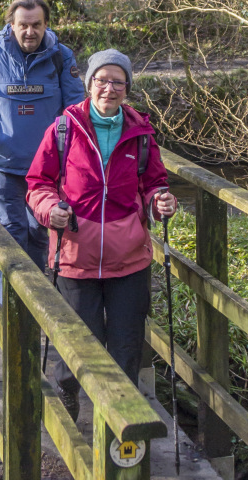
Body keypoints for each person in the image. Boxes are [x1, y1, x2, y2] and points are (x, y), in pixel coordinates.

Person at [26, 49, 177, 421]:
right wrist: (50, 210)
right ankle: (68, 396)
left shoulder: (141, 134)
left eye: (118, 82)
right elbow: (38, 183)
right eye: (102, 80)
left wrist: (160, 201)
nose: (109, 89)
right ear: (89, 83)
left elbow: (153, 183)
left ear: (127, 88)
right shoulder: (63, 130)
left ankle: (119, 421)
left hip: (129, 259)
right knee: (79, 346)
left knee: (126, 346)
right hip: (76, 257)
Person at [0, 0, 85, 288]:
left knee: (40, 231)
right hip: (4, 163)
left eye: (36, 25)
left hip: (47, 169)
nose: (30, 32)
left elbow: (76, 107)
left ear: (46, 25)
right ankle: (12, 306)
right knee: (12, 231)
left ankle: (37, 296)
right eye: (23, 25)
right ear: (12, 25)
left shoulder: (61, 56)